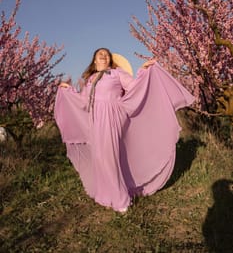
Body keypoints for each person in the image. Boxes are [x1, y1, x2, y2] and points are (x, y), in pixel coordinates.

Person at [54, 48, 195, 213]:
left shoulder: (116, 73)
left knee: (109, 156)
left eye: (107, 55)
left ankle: (121, 199)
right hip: (96, 120)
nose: (104, 56)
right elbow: (84, 102)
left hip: (113, 117)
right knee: (100, 157)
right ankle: (106, 195)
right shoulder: (90, 79)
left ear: (110, 60)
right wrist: (68, 90)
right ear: (94, 60)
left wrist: (144, 71)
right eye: (100, 54)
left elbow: (135, 87)